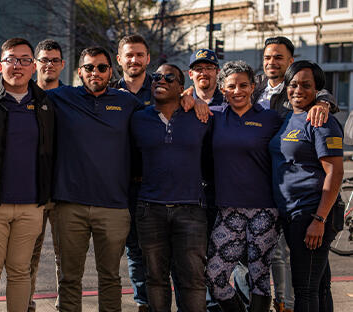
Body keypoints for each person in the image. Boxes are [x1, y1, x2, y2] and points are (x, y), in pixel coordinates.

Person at [47, 46, 141, 312]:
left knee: (110, 277)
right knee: (69, 278)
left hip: (113, 206)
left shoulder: (127, 102)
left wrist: (192, 97)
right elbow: (21, 92)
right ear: (79, 71)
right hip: (70, 205)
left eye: (101, 67)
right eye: (89, 67)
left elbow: (162, 109)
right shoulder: (61, 97)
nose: (95, 72)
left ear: (111, 71)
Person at [0, 37, 55, 312]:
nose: (17, 66)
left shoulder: (46, 103)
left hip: (32, 206)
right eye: (11, 59)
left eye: (25, 60)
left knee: (20, 272)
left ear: (34, 67)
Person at [131, 63, 211, 312]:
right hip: (149, 209)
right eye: (156, 77)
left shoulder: (202, 118)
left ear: (181, 87)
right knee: (155, 278)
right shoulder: (138, 118)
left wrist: (195, 100)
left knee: (193, 279)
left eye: (168, 77)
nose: (160, 81)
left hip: (191, 209)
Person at [205, 61, 282, 312]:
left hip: (264, 210)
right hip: (228, 210)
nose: (237, 91)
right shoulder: (213, 115)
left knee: (258, 278)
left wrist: (324, 102)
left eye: (243, 85)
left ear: (253, 86)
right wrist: (190, 98)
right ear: (222, 88)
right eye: (231, 86)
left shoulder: (270, 118)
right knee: (215, 277)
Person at [270, 60, 344, 312]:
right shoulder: (289, 115)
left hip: (312, 212)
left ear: (317, 89)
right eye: (293, 85)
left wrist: (319, 219)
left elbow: (334, 172)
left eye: (306, 85)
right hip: (292, 213)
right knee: (319, 285)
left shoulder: (321, 120)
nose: (298, 90)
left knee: (304, 289)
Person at [109, 33, 152, 311]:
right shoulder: (107, 90)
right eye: (129, 55)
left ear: (148, 58)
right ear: (119, 59)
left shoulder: (163, 88)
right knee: (134, 251)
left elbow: (192, 96)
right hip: (120, 186)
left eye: (139, 54)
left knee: (160, 252)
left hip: (156, 185)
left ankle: (161, 302)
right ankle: (143, 303)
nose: (134, 59)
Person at [27, 38, 65, 312]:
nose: (48, 65)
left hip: (64, 189)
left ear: (62, 65)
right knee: (29, 255)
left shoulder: (74, 97)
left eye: (54, 60)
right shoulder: (21, 94)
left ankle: (65, 304)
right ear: (35, 63)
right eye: (44, 60)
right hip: (31, 190)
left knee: (66, 256)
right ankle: (25, 303)